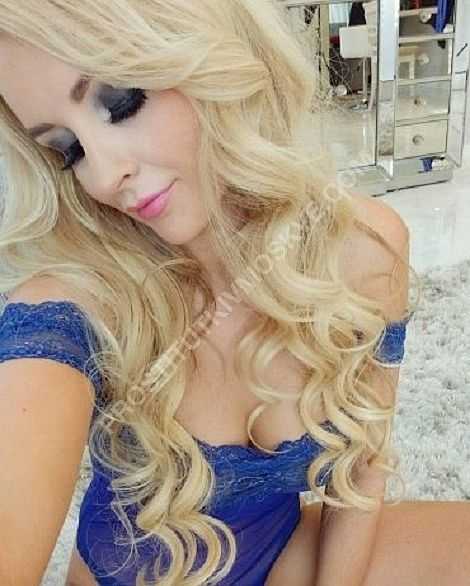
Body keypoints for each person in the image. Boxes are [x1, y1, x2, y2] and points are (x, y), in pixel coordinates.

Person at [0, 1, 468, 585]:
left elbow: (362, 468)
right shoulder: (73, 306)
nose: (102, 174)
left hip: (282, 551)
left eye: (120, 102)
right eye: (67, 149)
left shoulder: (367, 247)